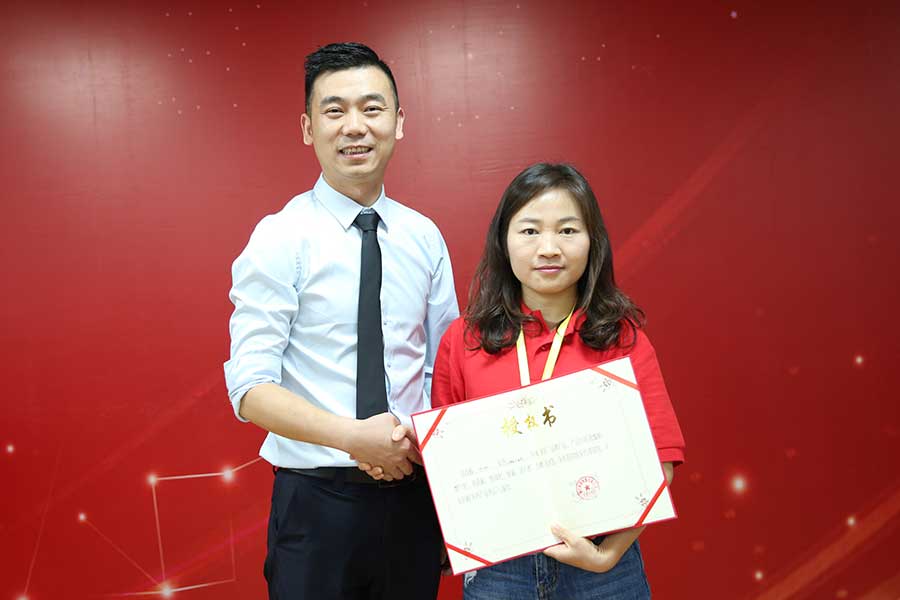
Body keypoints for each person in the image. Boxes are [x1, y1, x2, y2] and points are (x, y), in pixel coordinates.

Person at [224, 42, 458, 600]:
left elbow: (444, 369)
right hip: (316, 506)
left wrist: (426, 463)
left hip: (412, 499)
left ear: (398, 122)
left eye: (372, 108)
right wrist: (356, 439)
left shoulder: (424, 237)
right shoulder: (280, 238)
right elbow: (250, 389)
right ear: (308, 128)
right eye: (335, 111)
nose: (355, 126)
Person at [430, 163, 685, 599]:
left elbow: (660, 460)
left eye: (567, 231)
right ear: (503, 241)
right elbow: (445, 466)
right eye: (530, 231)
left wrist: (606, 555)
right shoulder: (464, 340)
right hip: (501, 571)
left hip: (604, 569)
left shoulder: (621, 339)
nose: (548, 248)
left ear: (592, 242)